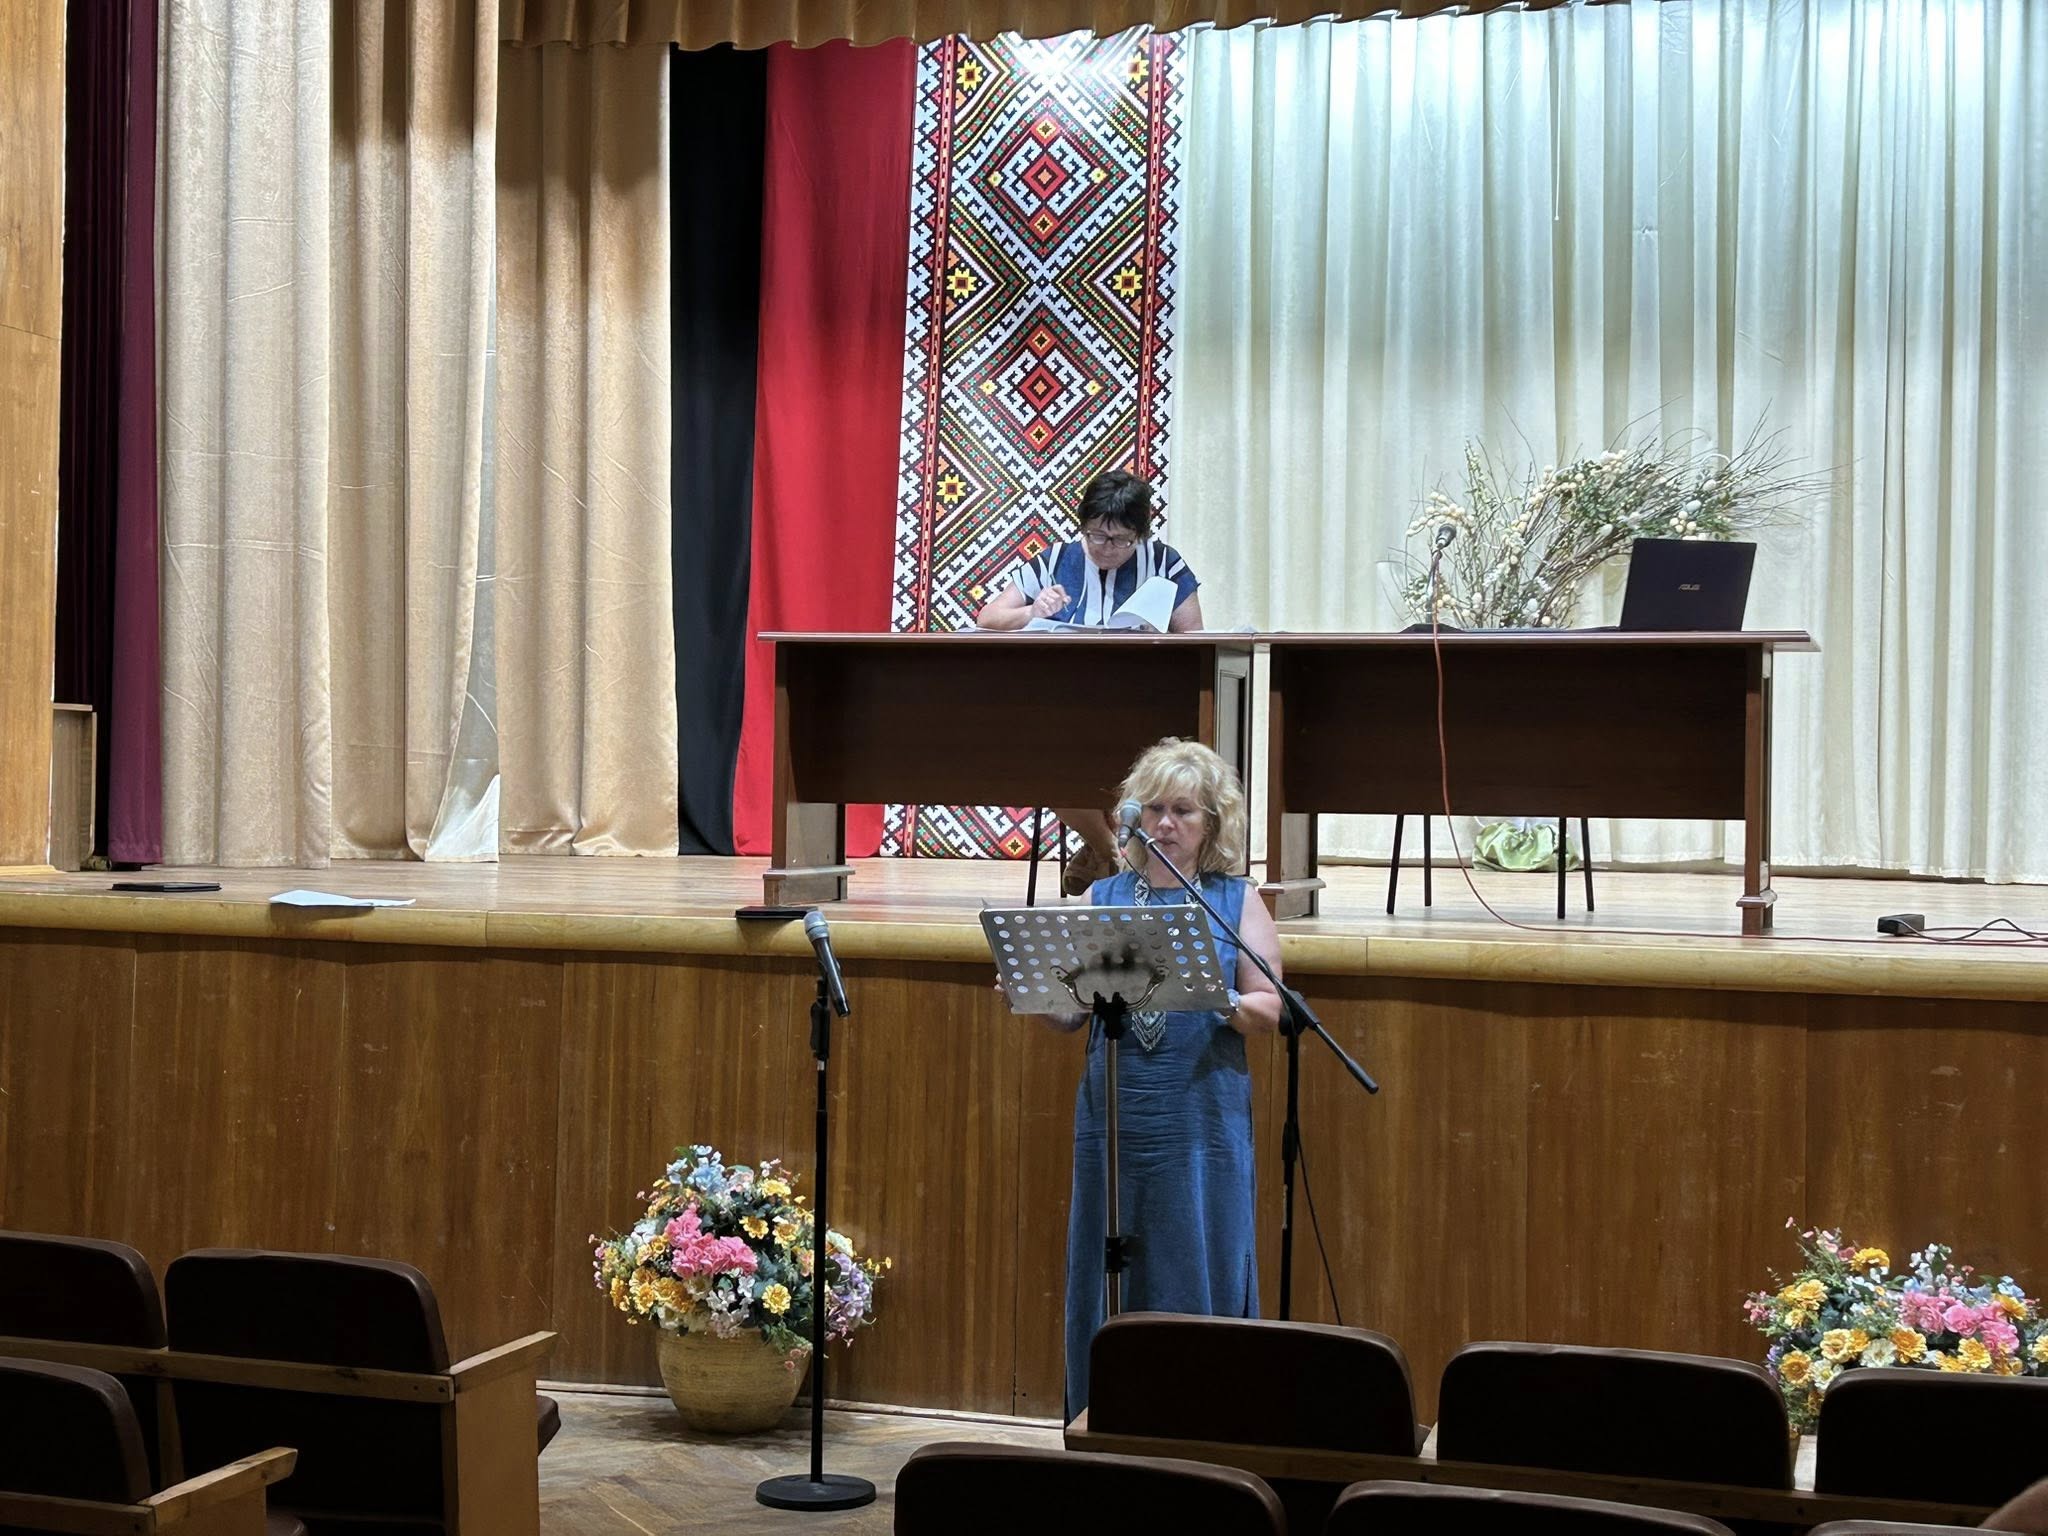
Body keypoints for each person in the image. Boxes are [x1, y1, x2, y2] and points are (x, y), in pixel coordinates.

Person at [1045, 737, 1282, 1420]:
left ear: (1212, 823)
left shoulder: (1235, 902)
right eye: (1154, 809)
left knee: (1196, 1254)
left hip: (1200, 1120)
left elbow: (1269, 1008)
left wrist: (1223, 1000)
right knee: (1109, 1259)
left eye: (1183, 811)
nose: (1166, 824)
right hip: (1115, 1117)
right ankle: (1105, 1421)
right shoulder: (1103, 896)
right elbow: (1070, 1016)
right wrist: (1035, 995)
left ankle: (1203, 1423)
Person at [975, 470, 1206, 894]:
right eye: (1096, 535)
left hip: (1142, 706)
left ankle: (1098, 851)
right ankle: (1109, 852)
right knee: (1046, 756)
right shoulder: (1055, 560)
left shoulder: (1165, 563)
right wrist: (1031, 612)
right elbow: (988, 618)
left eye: (1120, 540)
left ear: (1140, 534)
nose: (1106, 548)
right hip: (1064, 704)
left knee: (1142, 755)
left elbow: (1195, 639)